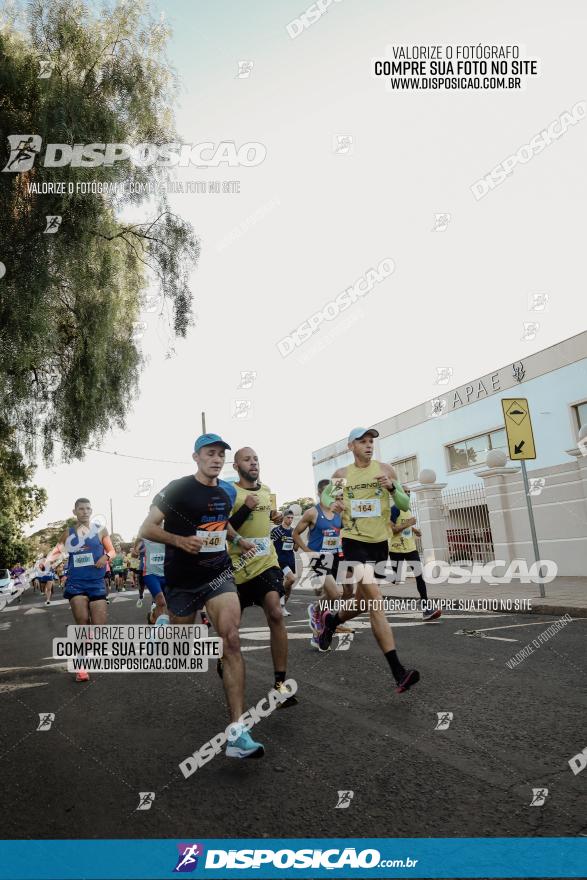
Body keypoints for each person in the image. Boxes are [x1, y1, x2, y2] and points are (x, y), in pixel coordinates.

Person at [139, 433, 267, 759]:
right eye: (210, 453)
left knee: (232, 639)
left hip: (218, 574)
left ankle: (237, 732)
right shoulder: (178, 488)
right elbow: (147, 529)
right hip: (182, 580)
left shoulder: (226, 490)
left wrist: (238, 540)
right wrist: (179, 541)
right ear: (196, 457)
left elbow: (222, 525)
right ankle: (166, 623)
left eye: (220, 454)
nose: (216, 459)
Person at [316, 428, 420, 694]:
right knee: (375, 600)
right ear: (351, 446)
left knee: (363, 602)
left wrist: (392, 487)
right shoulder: (343, 475)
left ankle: (330, 622)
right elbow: (328, 497)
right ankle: (399, 672)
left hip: (379, 545)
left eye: (371, 441)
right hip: (354, 542)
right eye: (362, 441)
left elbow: (405, 504)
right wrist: (334, 503)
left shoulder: (385, 470)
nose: (368, 445)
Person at [223, 447, 297, 708]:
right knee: (231, 630)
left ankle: (280, 684)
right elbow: (221, 526)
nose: (253, 463)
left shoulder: (266, 491)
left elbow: (264, 519)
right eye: (247, 459)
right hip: (236, 567)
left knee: (276, 613)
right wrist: (244, 511)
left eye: (256, 459)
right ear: (236, 466)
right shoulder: (230, 492)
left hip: (266, 562)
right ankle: (226, 661)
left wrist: (273, 516)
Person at [41, 498, 115, 682]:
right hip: (76, 583)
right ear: (74, 512)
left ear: (91, 511)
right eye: (81, 509)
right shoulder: (69, 533)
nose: (85, 511)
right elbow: (56, 552)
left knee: (98, 627)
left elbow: (112, 551)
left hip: (96, 582)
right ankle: (81, 667)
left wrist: (106, 557)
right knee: (82, 622)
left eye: (88, 508)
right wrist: (46, 562)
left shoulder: (100, 530)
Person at [293, 480, 352, 648]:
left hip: (337, 555)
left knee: (349, 590)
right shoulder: (313, 512)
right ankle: (316, 610)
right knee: (334, 594)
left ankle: (326, 623)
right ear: (320, 494)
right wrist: (307, 551)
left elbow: (346, 531)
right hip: (319, 557)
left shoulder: (339, 512)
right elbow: (295, 533)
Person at [388, 486, 441, 622]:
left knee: (419, 577)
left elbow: (406, 524)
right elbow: (393, 530)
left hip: (411, 548)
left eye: (409, 492)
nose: (407, 494)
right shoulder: (394, 509)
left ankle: (426, 609)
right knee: (397, 578)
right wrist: (409, 524)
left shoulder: (408, 509)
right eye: (405, 492)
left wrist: (415, 530)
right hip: (396, 549)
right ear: (399, 494)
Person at [270, 510, 297, 617]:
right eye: (288, 517)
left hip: (290, 559)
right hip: (279, 560)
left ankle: (282, 606)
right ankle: (279, 604)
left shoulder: (294, 531)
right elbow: (269, 545)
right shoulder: (276, 531)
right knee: (291, 579)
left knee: (288, 585)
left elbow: (295, 548)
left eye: (292, 518)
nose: (290, 520)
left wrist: (297, 541)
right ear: (283, 518)